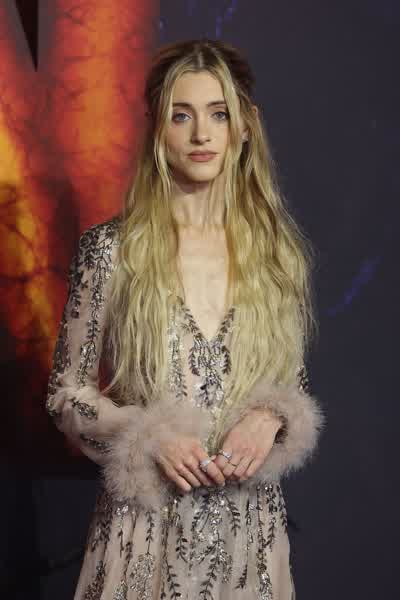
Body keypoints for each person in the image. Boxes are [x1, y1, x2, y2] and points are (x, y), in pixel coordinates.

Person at [46, 38, 325, 600]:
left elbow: (292, 382)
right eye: (182, 115)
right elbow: (66, 395)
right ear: (157, 128)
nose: (201, 134)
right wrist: (146, 435)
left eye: (218, 114)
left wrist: (271, 416)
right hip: (141, 539)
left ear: (244, 126)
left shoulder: (277, 256)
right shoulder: (111, 251)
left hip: (249, 540)